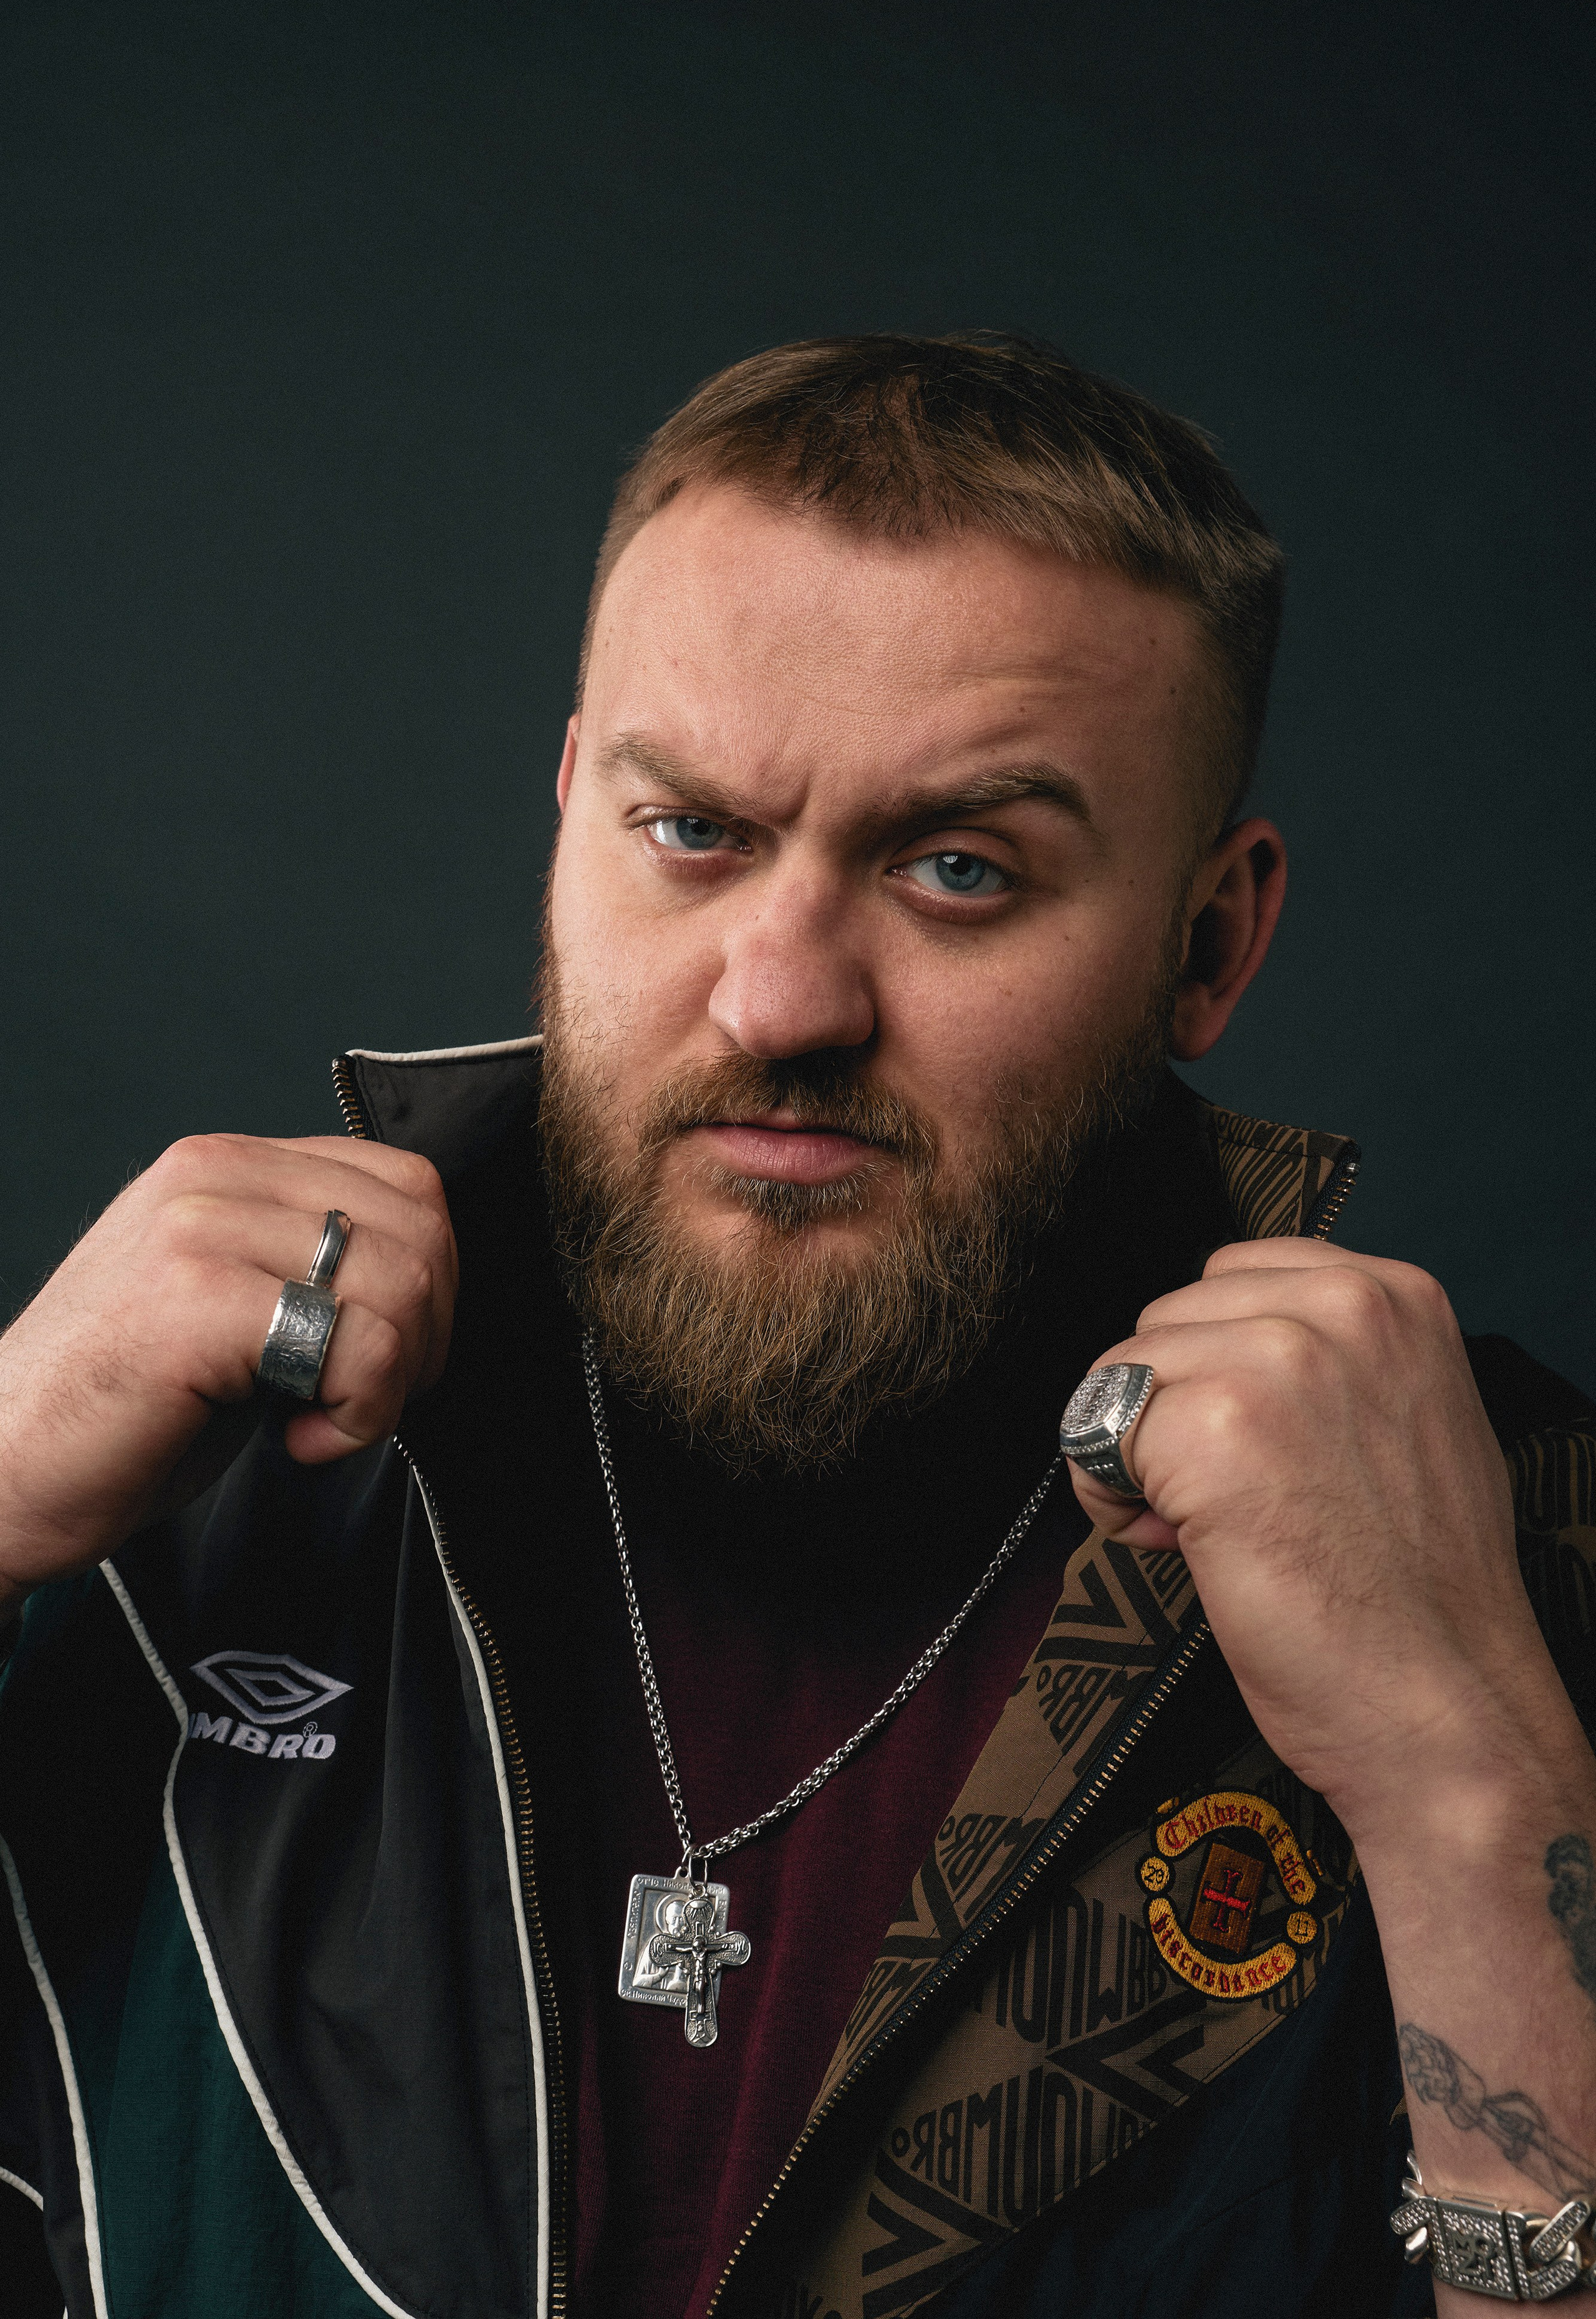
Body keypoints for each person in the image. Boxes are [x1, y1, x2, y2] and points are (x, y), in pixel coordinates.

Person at [0, 334, 1592, 2319]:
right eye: (694, 835)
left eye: (957, 870)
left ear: (1211, 942)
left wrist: (1469, 1798)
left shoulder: (1507, 1553)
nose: (782, 998)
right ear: (575, 806)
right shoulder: (175, 1454)